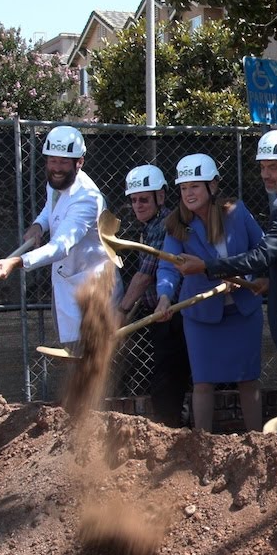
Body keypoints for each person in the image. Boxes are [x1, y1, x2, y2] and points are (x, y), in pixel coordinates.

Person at [176, 129, 277, 438]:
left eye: (273, 167)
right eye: (262, 167)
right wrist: (267, 279)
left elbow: (264, 254)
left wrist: (207, 267)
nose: (265, 174)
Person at [155, 154, 266, 434]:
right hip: (202, 316)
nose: (188, 194)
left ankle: (259, 443)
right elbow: (168, 268)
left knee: (248, 379)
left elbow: (263, 250)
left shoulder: (237, 213)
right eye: (183, 188)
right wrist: (165, 298)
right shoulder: (175, 224)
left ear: (212, 186)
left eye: (194, 186)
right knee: (203, 382)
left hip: (243, 310)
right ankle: (203, 445)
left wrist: (253, 278)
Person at [0, 125, 113, 345]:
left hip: (90, 288)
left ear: (79, 162)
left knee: (90, 353)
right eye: (53, 161)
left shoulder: (86, 199)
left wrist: (15, 262)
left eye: (64, 162)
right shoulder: (57, 182)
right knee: (73, 350)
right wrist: (39, 225)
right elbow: (51, 207)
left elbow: (61, 246)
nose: (57, 167)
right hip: (66, 280)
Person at [115, 164, 191, 427]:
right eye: (134, 200)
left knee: (167, 382)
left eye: (144, 199)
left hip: (173, 314)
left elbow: (145, 275)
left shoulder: (164, 225)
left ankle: (173, 433)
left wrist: (121, 311)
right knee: (170, 379)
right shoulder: (150, 226)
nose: (138, 205)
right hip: (161, 315)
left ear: (161, 196)